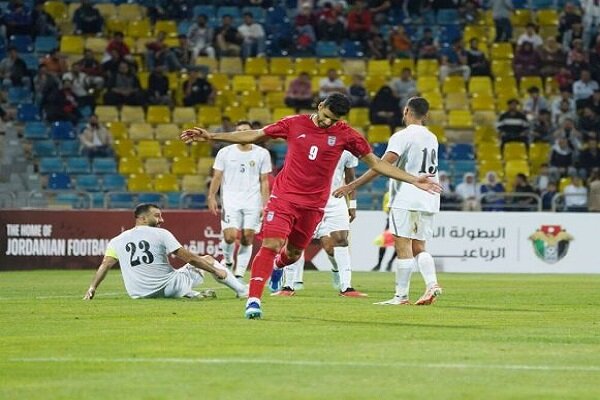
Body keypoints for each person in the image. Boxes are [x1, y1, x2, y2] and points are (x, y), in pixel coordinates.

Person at [180, 93, 442, 319]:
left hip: (313, 206)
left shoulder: (347, 135)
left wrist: (412, 179)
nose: (328, 122)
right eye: (326, 115)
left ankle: (278, 268)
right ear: (319, 106)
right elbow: (257, 134)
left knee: (292, 254)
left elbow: (377, 163)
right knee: (270, 244)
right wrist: (211, 136)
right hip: (283, 197)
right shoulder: (294, 123)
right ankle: (253, 301)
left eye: (334, 120)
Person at [333, 97, 442, 306]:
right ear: (426, 115)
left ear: (406, 110)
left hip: (407, 196)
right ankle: (432, 284)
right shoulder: (432, 137)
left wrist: (352, 185)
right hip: (429, 197)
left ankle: (401, 296)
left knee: (403, 246)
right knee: (420, 246)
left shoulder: (402, 136)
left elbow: (382, 166)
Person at [83, 203, 248, 300]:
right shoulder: (161, 234)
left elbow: (105, 264)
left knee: (181, 274)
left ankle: (192, 294)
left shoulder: (117, 240)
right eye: (157, 216)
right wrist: (216, 270)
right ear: (143, 218)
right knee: (208, 259)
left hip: (138, 293)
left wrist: (92, 288)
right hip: (169, 287)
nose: (162, 220)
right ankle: (241, 291)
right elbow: (189, 258)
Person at [273, 150, 364, 297]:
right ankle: (288, 286)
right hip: (308, 201)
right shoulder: (307, 144)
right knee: (296, 243)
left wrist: (352, 204)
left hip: (335, 200)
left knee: (340, 240)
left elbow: (350, 177)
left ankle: (346, 287)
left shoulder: (346, 149)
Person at [208, 121, 272, 282]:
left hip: (253, 201)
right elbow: (217, 176)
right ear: (234, 134)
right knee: (230, 237)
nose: (243, 133)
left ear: (252, 133)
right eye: (239, 131)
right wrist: (211, 196)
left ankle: (239, 274)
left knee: (247, 238)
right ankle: (228, 261)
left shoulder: (262, 153)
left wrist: (265, 205)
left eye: (246, 131)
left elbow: (264, 181)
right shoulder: (224, 152)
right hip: (230, 200)